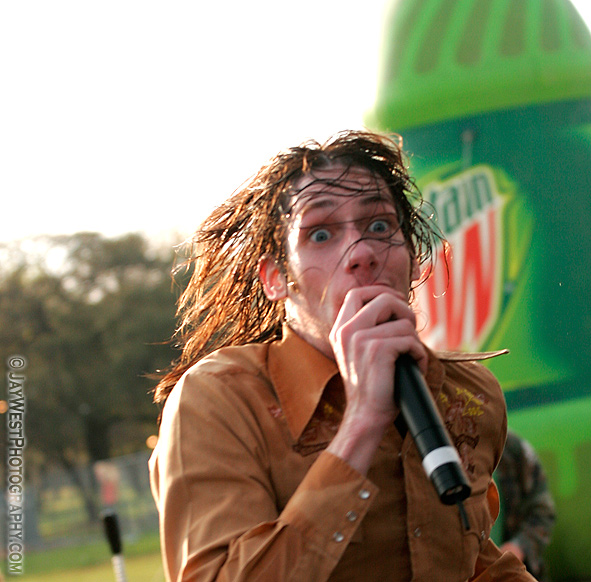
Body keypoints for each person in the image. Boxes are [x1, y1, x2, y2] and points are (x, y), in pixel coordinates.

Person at [149, 129, 536, 581]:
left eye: (379, 226)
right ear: (276, 278)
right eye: (320, 234)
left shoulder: (469, 394)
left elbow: (472, 561)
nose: (362, 253)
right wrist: (362, 422)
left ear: (412, 259)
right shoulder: (217, 401)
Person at [492, 430, 556, 581]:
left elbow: (543, 512)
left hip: (514, 571)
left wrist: (518, 547)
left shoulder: (511, 448)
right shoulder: (435, 451)